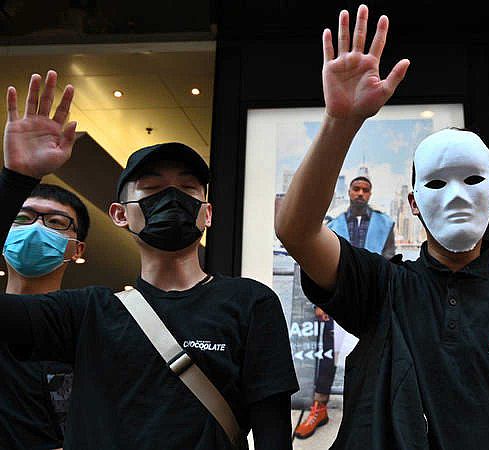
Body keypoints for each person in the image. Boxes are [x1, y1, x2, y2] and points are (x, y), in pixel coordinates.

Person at [275, 5, 489, 449]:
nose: (457, 196)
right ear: (414, 203)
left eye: (473, 181)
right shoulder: (382, 288)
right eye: (437, 184)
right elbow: (297, 232)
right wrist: (341, 123)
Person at [1, 70, 298, 449]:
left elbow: (274, 435)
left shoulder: (250, 304)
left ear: (207, 214)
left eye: (188, 188)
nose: (172, 199)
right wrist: (15, 178)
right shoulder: (87, 312)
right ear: (120, 214)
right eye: (154, 189)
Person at [294, 175, 395, 439]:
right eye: (356, 189)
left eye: (365, 190)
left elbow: (390, 262)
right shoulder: (333, 224)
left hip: (373, 300)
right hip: (336, 300)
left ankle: (370, 410)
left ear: (370, 194)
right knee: (327, 355)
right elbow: (318, 263)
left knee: (374, 356)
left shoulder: (385, 223)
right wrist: (321, 300)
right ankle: (320, 406)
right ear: (349, 192)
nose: (360, 193)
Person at [0, 182, 89, 449]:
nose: (36, 228)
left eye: (56, 222)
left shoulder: (89, 330)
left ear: (77, 249)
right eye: (22, 218)